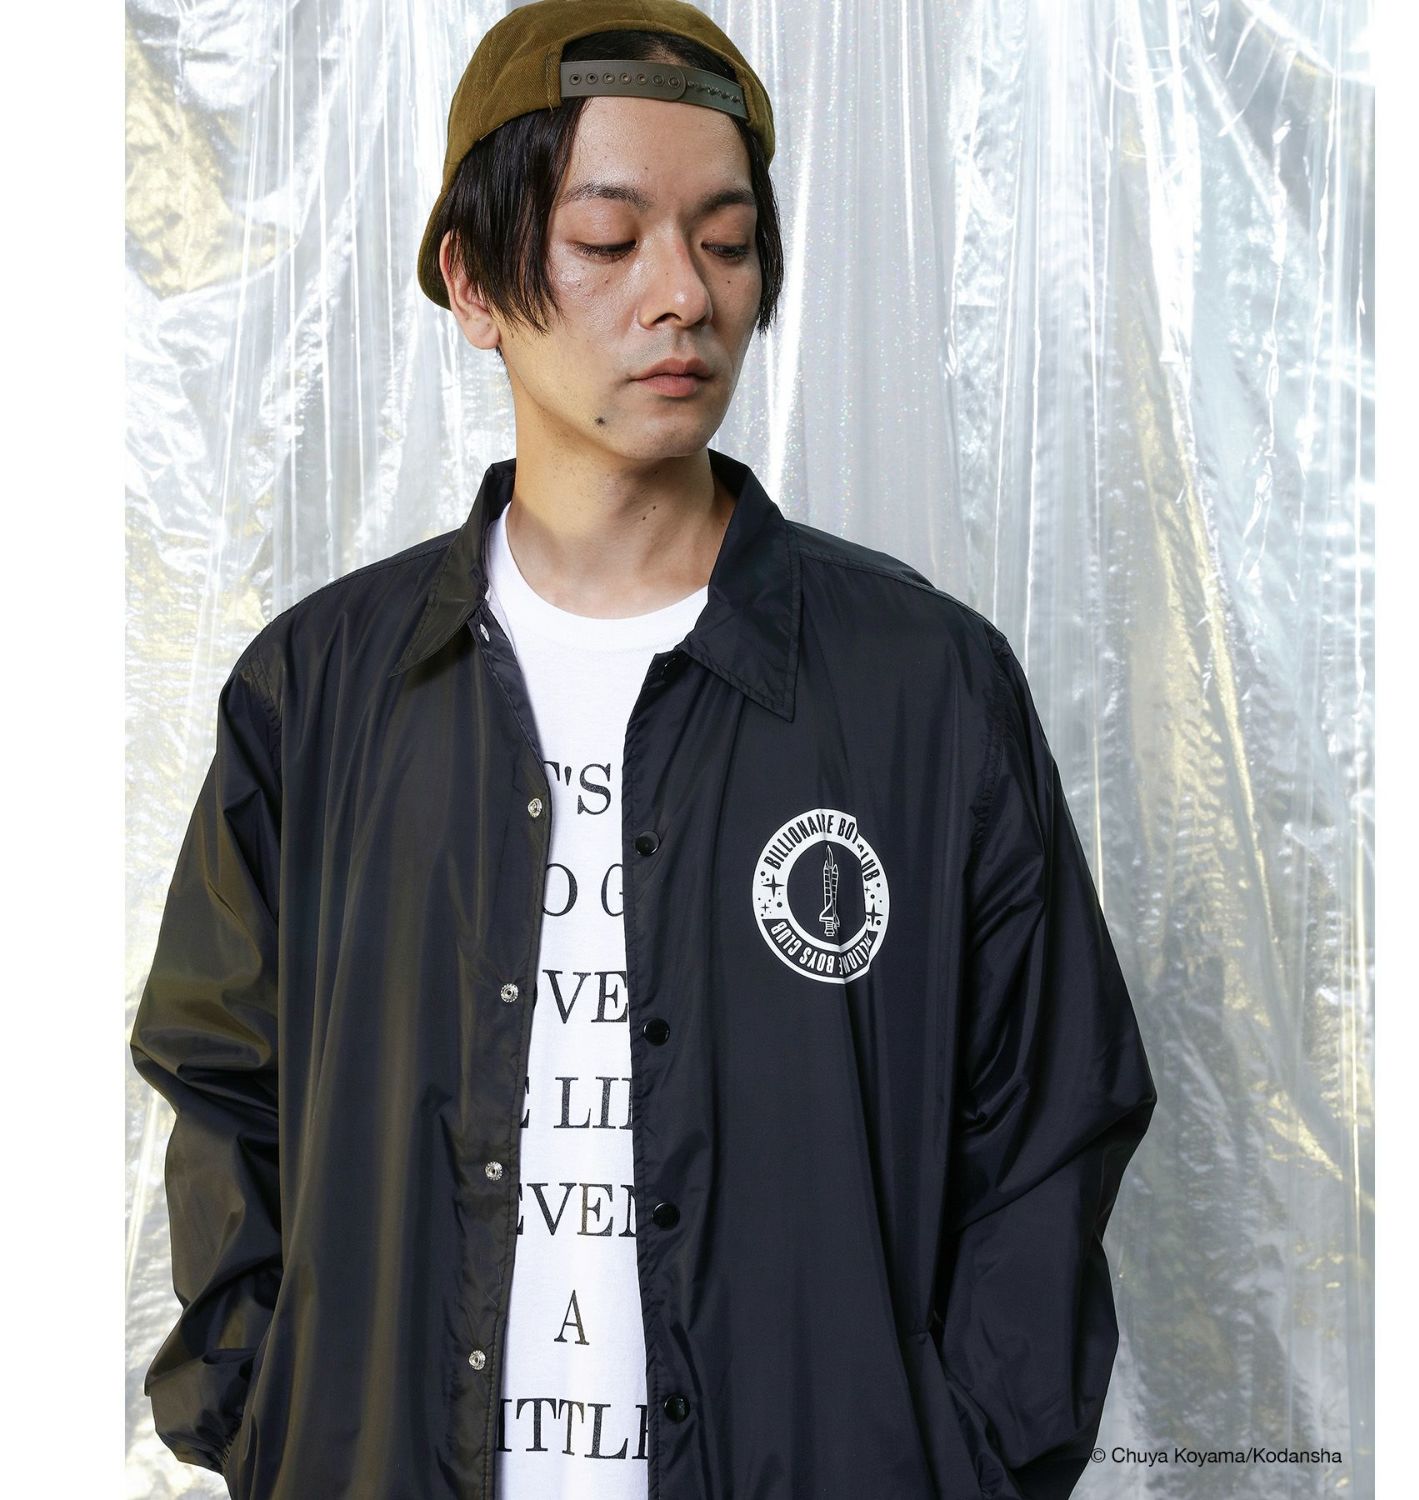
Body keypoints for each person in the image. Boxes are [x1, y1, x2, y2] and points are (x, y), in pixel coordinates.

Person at [130, 3, 1157, 1498]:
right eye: (608, 242)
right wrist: (271, 1423)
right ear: (471, 281)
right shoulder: (323, 692)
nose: (683, 294)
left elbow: (1052, 1126)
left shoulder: (925, 692)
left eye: (726, 243)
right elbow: (220, 1080)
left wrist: (960, 1463)